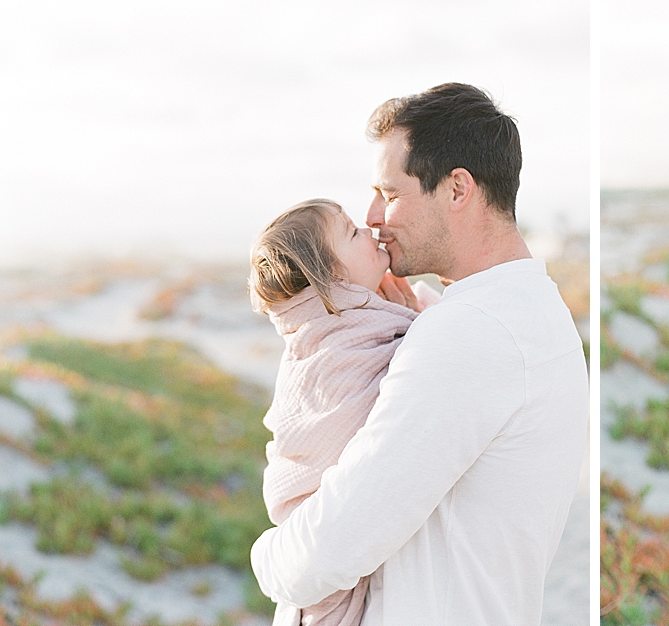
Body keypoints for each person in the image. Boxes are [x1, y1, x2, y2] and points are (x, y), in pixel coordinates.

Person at [250, 83, 590, 626]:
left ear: (457, 189)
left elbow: (328, 550)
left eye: (390, 192)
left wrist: (266, 555)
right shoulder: (532, 312)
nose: (373, 215)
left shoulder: (470, 333)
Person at [249, 199, 423, 626]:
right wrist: (418, 327)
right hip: (313, 532)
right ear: (332, 278)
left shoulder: (355, 325)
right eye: (350, 233)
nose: (367, 228)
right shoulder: (329, 351)